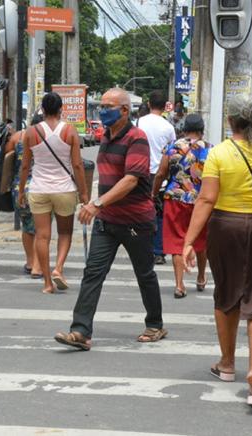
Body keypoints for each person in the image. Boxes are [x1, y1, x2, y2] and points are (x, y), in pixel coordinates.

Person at [182, 95, 252, 409]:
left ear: (230, 122)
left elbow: (207, 200)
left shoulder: (219, 153)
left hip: (226, 226)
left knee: (226, 294)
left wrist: (188, 241)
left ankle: (227, 364)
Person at [54, 87, 165, 350]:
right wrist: (89, 199)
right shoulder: (105, 136)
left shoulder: (137, 138)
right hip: (108, 221)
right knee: (92, 273)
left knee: (144, 273)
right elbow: (104, 175)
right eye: (101, 106)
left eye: (108, 107)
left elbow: (130, 180)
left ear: (124, 110)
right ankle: (80, 331)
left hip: (136, 221)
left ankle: (155, 324)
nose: (103, 111)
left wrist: (98, 203)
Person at [18, 93, 90, 294]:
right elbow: (77, 165)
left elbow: (25, 165)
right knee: (65, 232)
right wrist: (84, 193)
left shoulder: (31, 132)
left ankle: (47, 283)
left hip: (39, 189)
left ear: (42, 109)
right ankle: (58, 268)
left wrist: (22, 190)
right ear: (61, 110)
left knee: (42, 236)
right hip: (64, 190)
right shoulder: (70, 131)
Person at [151, 113, 211, 299]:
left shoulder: (172, 148)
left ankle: (179, 285)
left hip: (175, 199)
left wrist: (153, 193)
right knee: (200, 240)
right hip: (200, 201)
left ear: (184, 129)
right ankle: (201, 277)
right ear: (202, 130)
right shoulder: (210, 150)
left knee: (177, 241)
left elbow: (161, 173)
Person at [137, 91, 177, 265]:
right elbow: (172, 152)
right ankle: (159, 251)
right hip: (160, 175)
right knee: (160, 213)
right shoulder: (168, 127)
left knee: (140, 212)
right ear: (164, 106)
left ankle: (142, 249)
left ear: (148, 103)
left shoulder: (138, 123)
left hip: (140, 173)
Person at [6, 115, 42, 278]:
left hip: (20, 187)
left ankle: (29, 262)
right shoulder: (51, 138)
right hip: (43, 188)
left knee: (27, 226)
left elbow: (7, 158)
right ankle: (37, 266)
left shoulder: (17, 137)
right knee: (42, 228)